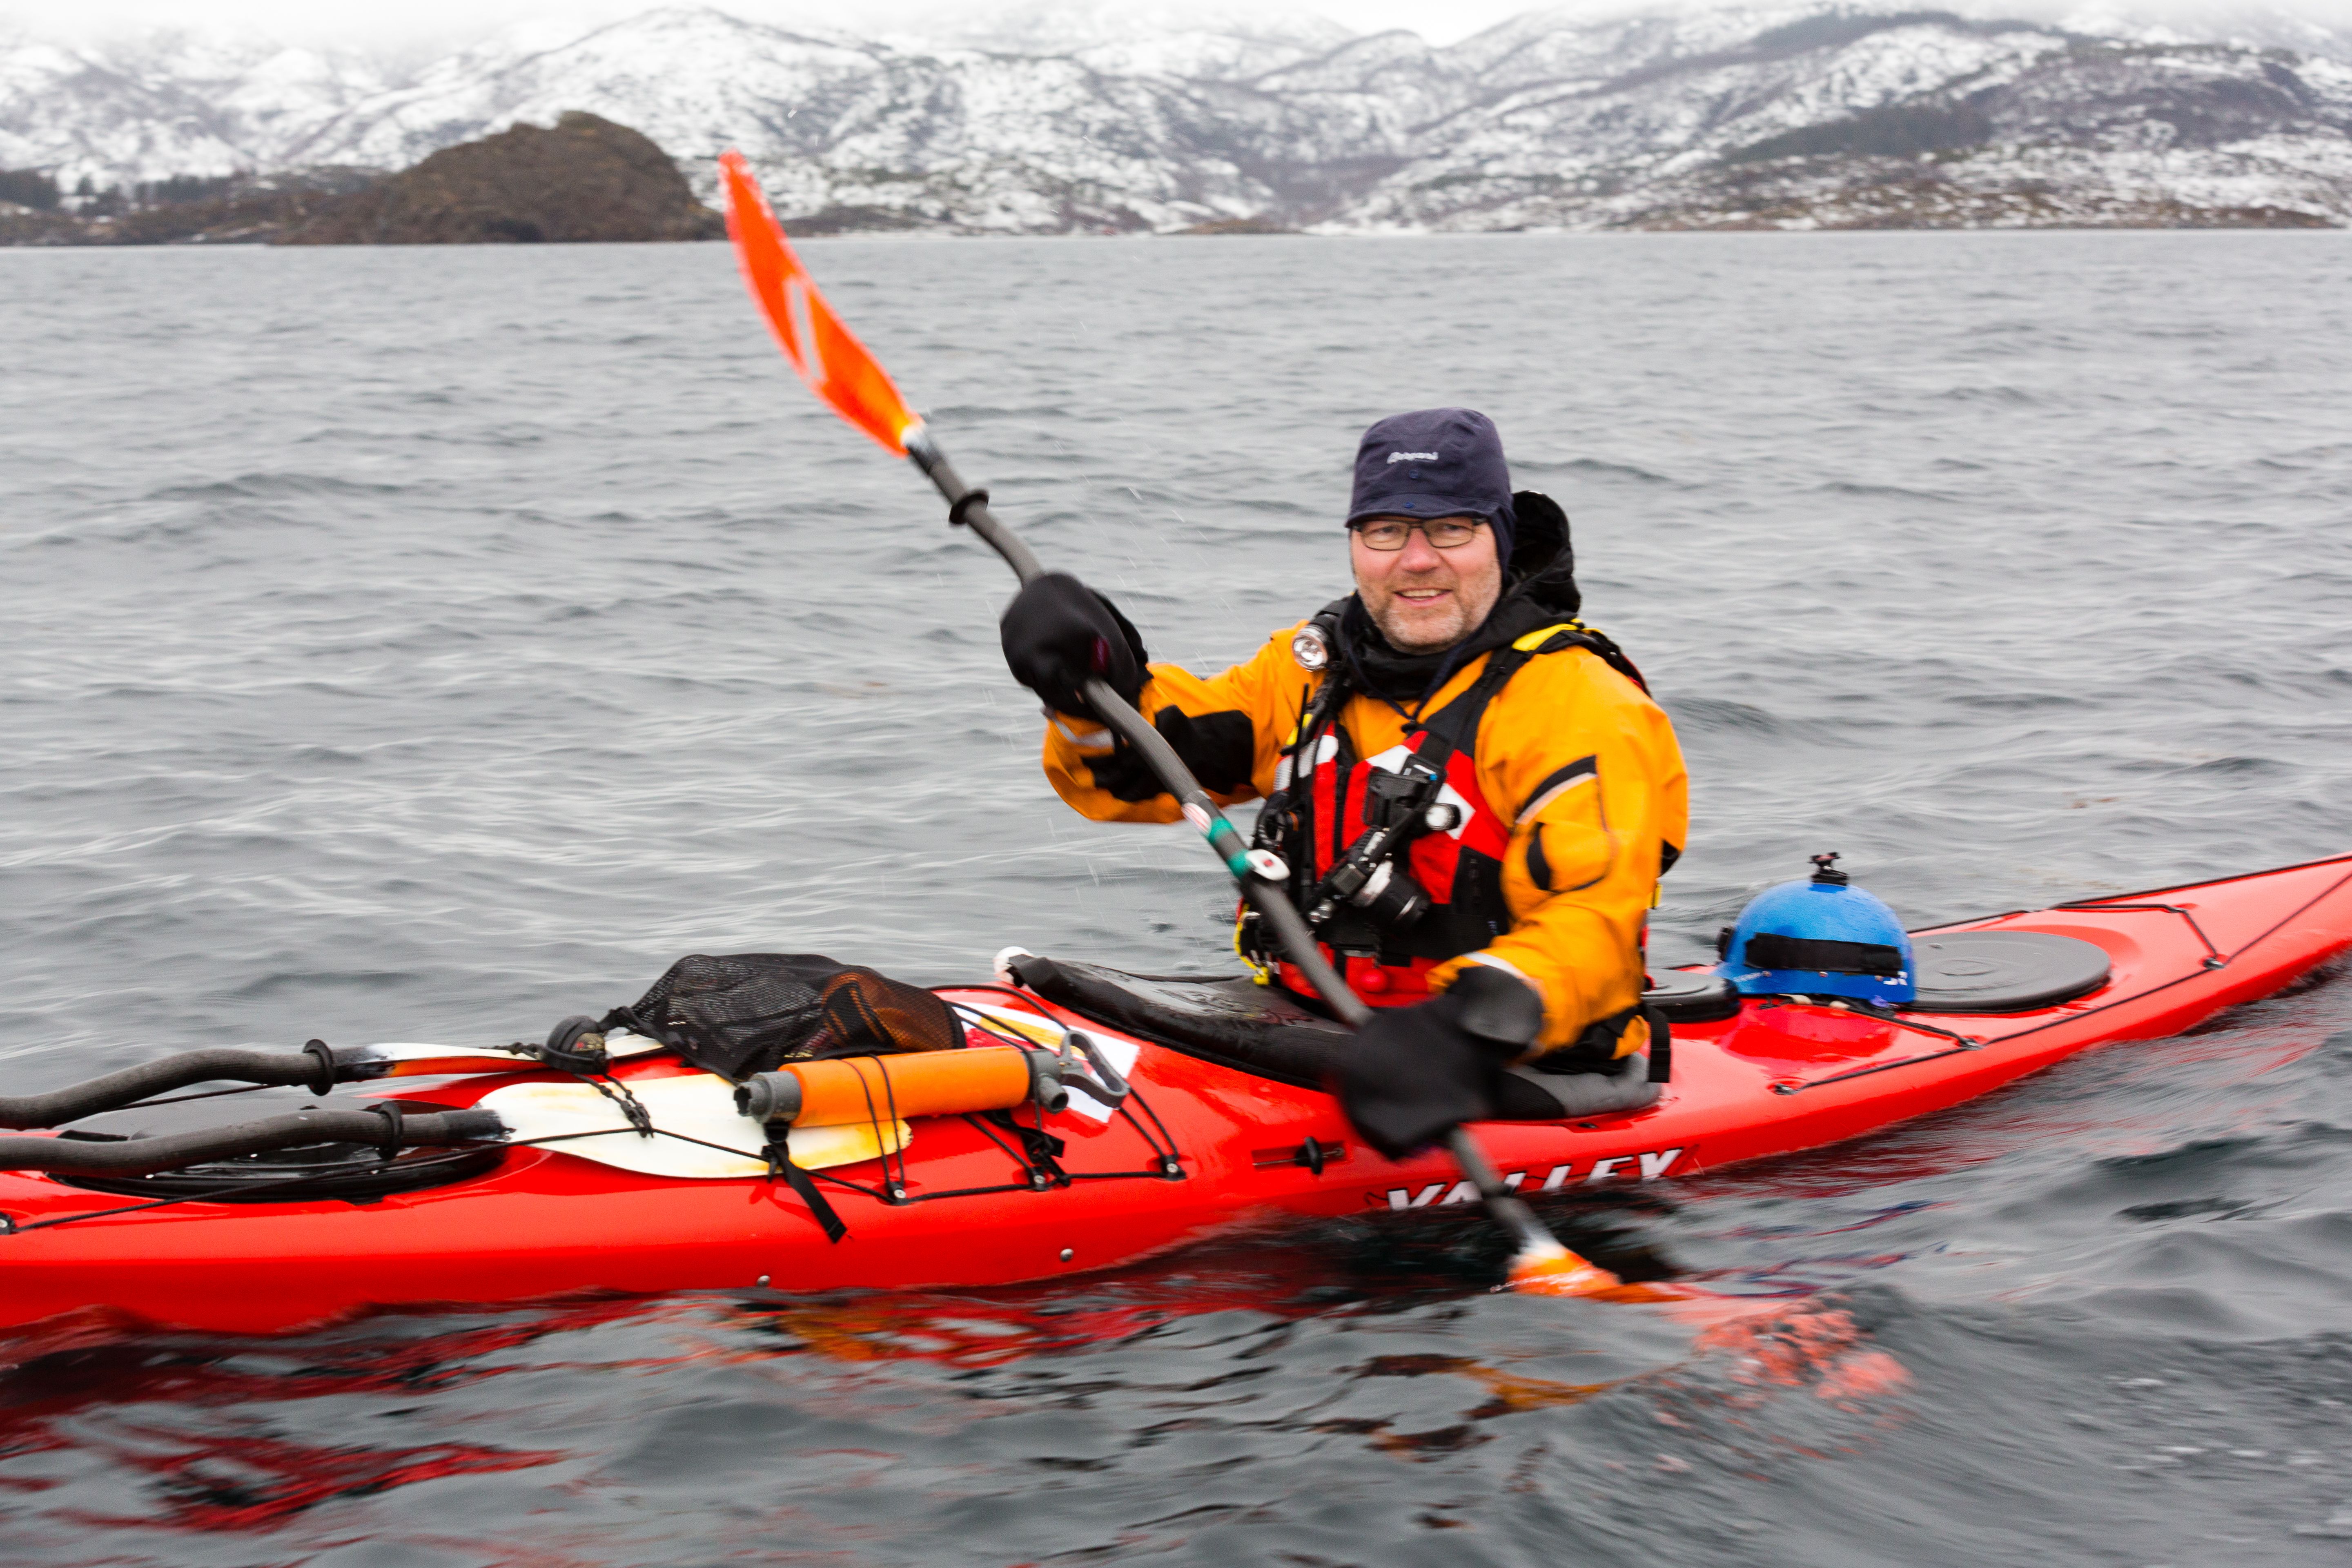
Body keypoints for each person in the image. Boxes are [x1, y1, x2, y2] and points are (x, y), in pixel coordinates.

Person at [998, 408, 1688, 1158]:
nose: (1416, 560)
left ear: (1502, 538)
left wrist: (1467, 1026)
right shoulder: (1311, 671)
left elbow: (1594, 925)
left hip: (1512, 1057)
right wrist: (1090, 691)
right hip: (1311, 1021)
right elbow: (1151, 770)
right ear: (1356, 544)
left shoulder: (1586, 707)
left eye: (1451, 529)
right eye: (1386, 531)